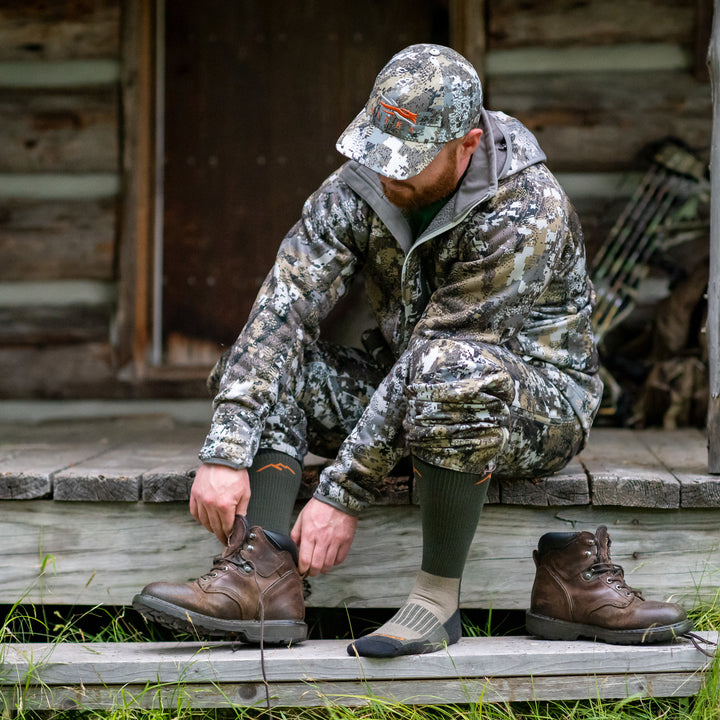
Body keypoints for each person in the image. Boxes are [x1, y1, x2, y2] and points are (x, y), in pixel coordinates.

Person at [133, 43, 606, 657]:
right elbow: (283, 310)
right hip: (410, 390)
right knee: (265, 366)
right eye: (380, 149)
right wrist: (225, 450)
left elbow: (438, 351)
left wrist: (339, 495)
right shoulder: (362, 184)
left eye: (408, 159)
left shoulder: (525, 209)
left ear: (466, 146)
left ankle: (437, 602)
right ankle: (263, 578)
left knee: (447, 366)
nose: (387, 170)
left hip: (532, 407)